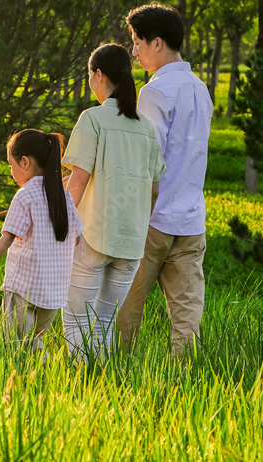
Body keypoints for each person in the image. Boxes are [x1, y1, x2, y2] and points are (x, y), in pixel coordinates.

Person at [117, 3, 214, 357]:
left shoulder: (154, 92)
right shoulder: (201, 89)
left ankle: (114, 375)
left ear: (157, 43)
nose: (135, 52)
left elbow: (146, 161)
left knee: (125, 310)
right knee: (187, 318)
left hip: (152, 221)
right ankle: (182, 384)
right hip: (190, 221)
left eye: (137, 42)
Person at [62, 43, 166, 360]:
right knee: (104, 324)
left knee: (76, 320)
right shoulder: (146, 129)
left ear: (98, 74)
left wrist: (59, 225)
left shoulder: (93, 118)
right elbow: (154, 189)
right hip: (132, 241)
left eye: (89, 75)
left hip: (93, 235)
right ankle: (102, 382)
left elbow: (78, 180)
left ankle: (80, 385)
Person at [0, 129, 83, 353]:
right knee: (33, 344)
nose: (10, 171)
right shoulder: (63, 196)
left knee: (17, 348)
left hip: (23, 290)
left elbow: (5, 239)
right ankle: (45, 381)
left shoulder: (25, 195)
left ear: (24, 162)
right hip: (52, 295)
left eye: (10, 164)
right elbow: (75, 240)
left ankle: (42, 377)